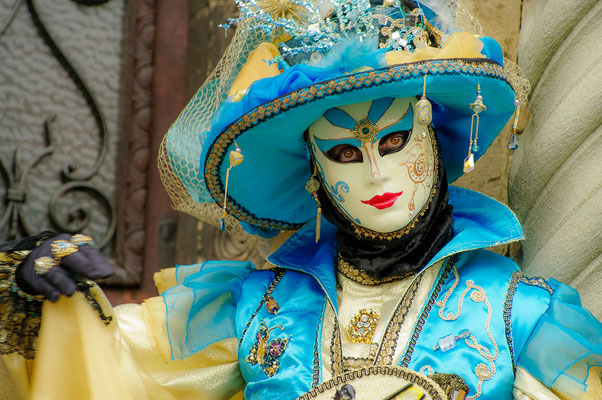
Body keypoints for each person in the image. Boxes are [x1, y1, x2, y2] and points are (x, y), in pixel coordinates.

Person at [1, 1, 600, 399]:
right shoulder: (255, 307)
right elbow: (111, 372)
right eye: (343, 153)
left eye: (395, 141)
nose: (375, 171)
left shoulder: (519, 313)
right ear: (313, 173)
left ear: (436, 142)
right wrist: (40, 298)